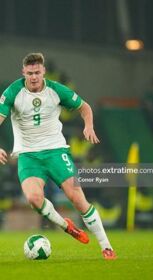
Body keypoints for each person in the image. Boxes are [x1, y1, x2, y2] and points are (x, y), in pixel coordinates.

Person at [0, 53, 116, 260]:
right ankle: (67, 226)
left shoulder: (56, 90)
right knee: (34, 198)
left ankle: (106, 247)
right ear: (23, 72)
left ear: (43, 71)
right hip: (28, 155)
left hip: (55, 151)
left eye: (37, 72)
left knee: (77, 198)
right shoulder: (13, 92)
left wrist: (88, 126)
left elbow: (85, 107)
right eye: (29, 73)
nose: (34, 77)